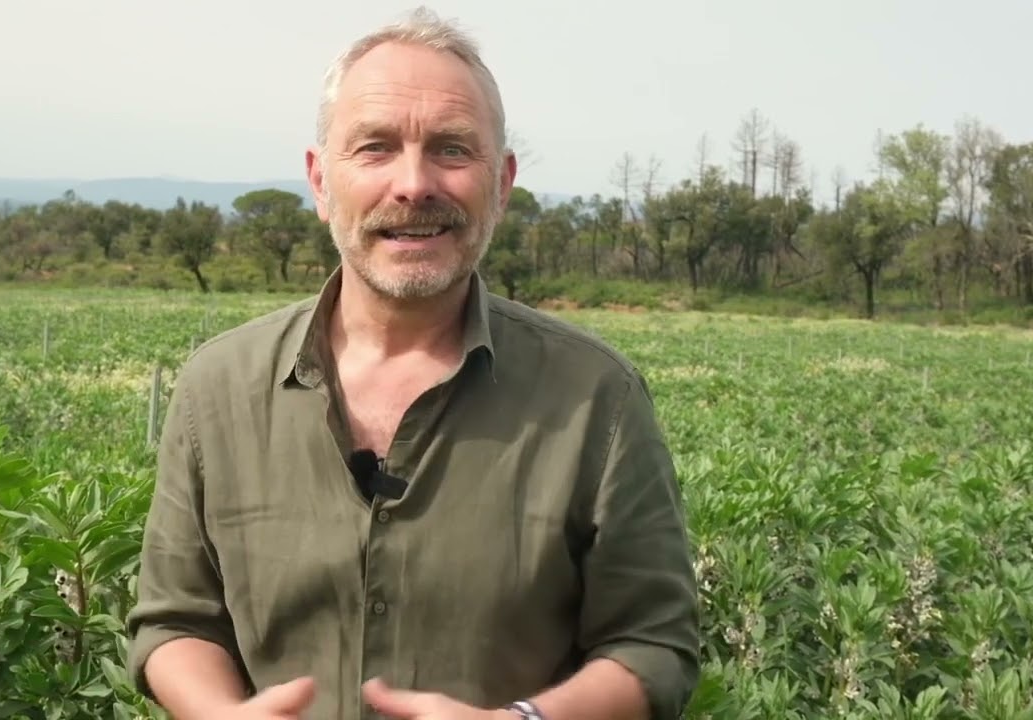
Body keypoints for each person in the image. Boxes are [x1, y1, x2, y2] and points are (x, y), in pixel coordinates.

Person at [125, 7, 700, 719]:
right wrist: (218, 713)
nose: (414, 184)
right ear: (319, 180)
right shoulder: (218, 388)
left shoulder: (597, 399)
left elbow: (653, 643)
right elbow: (176, 622)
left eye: (453, 150)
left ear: (501, 183)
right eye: (375, 147)